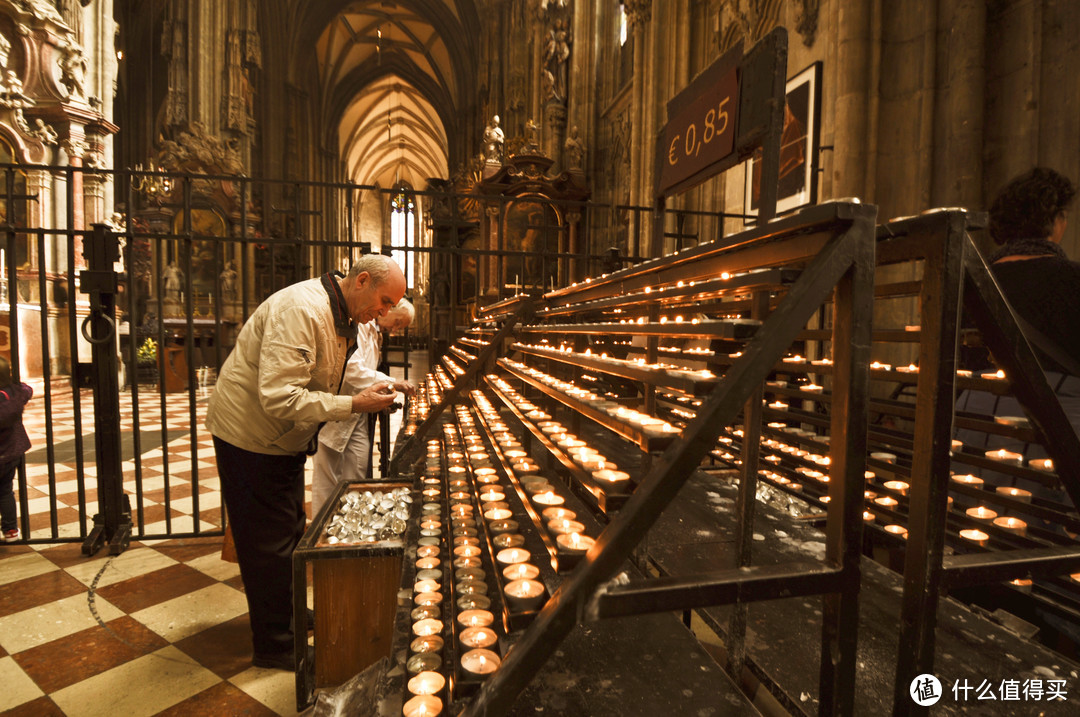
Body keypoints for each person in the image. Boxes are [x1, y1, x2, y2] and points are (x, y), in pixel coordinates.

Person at [205, 254, 406, 670]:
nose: (385, 313)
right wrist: (354, 404)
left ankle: (290, 616)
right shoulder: (302, 309)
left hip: (282, 440)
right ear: (362, 280)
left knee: (291, 531)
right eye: (385, 302)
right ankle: (276, 645)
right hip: (251, 439)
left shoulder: (342, 313)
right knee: (268, 545)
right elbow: (280, 397)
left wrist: (369, 391)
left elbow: (330, 372)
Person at [953, 167, 1080, 497]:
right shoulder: (1073, 280)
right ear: (1054, 221)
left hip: (972, 423)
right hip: (1056, 427)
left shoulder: (967, 285)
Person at [311, 297, 416, 515]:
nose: (395, 330)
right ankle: (323, 523)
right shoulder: (360, 327)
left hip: (358, 413)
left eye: (400, 328)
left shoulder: (376, 333)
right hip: (336, 407)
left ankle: (354, 520)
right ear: (389, 310)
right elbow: (353, 371)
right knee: (327, 475)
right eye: (397, 323)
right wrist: (391, 382)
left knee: (358, 467)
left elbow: (369, 370)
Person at [0, 356, 32, 542]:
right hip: (11, 453)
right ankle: (10, 531)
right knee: (5, 491)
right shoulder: (15, 394)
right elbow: (28, 389)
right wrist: (16, 383)